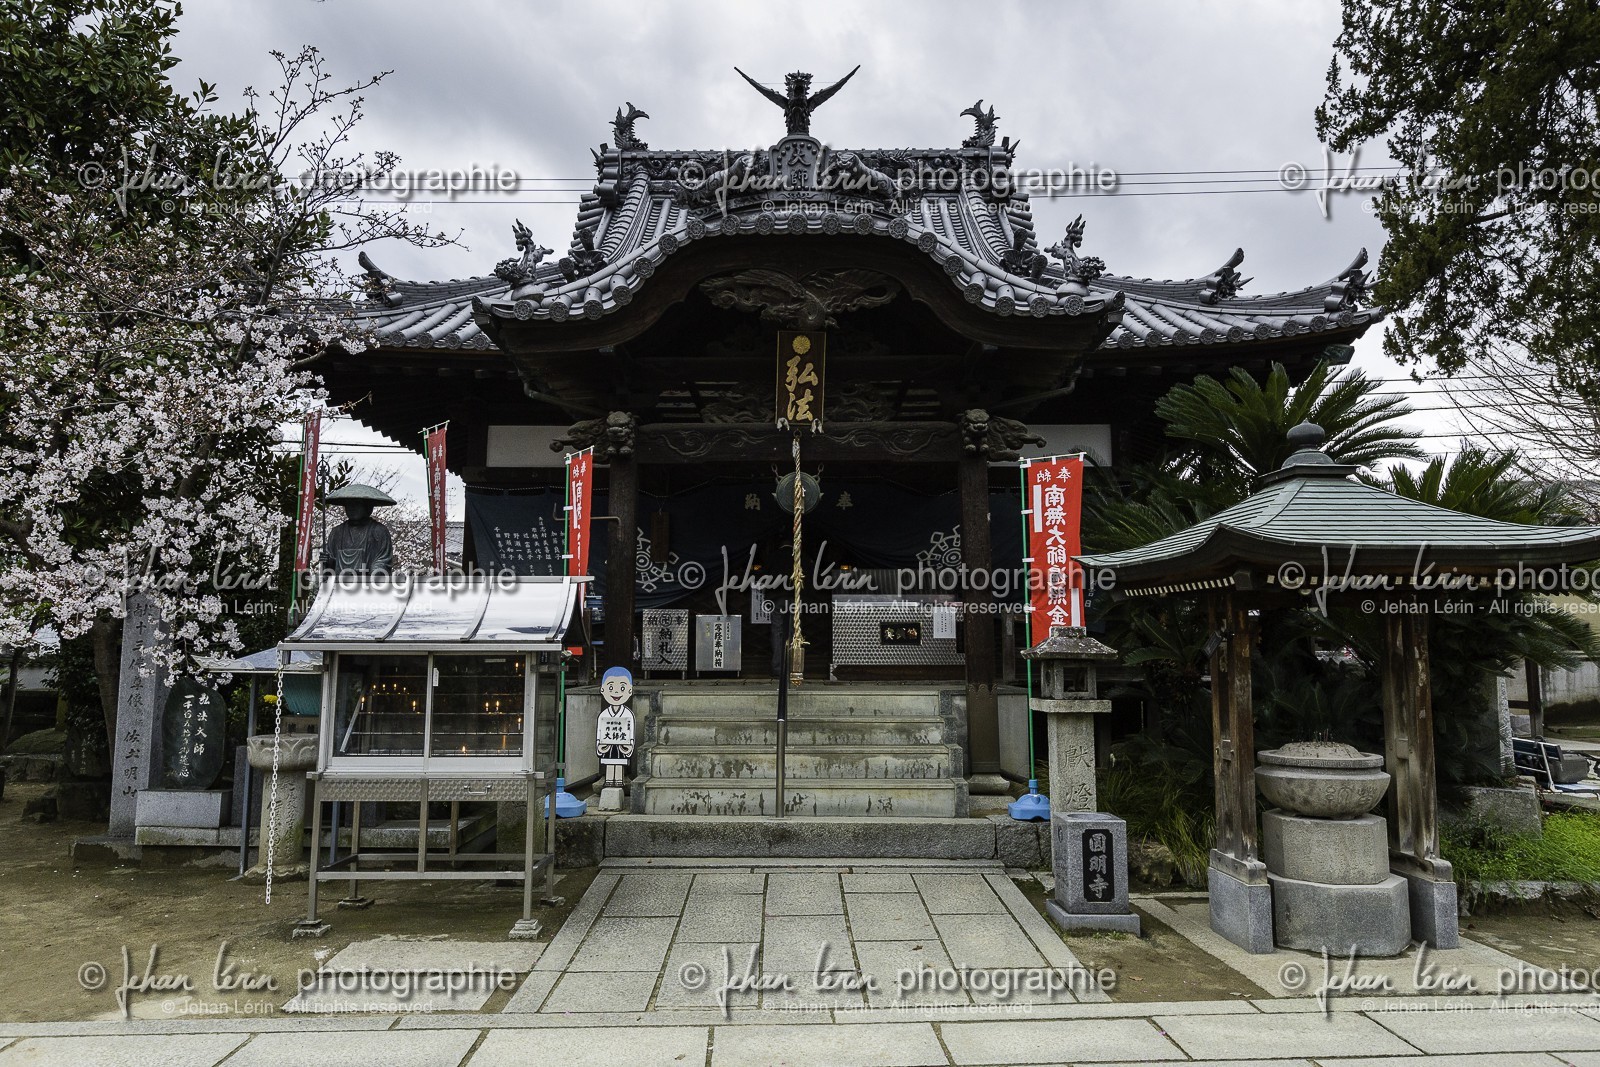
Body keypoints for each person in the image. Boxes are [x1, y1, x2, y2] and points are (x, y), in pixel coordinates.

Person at [318, 484, 396, 574]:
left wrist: (375, 572)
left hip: (368, 581)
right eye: (349, 505)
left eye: (356, 504)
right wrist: (328, 561)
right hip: (340, 580)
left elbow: (383, 560)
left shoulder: (378, 531)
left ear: (368, 507)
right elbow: (330, 563)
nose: (352, 508)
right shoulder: (337, 532)